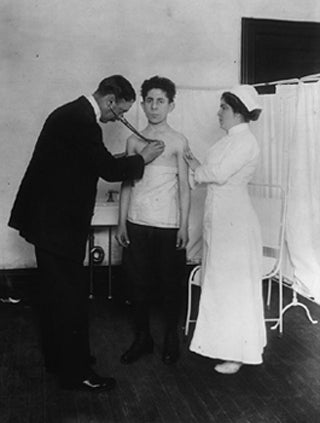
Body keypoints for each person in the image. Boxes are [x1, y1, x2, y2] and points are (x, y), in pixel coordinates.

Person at [8, 75, 165, 391]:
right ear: (109, 99)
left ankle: (60, 360)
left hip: (47, 224)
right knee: (71, 299)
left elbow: (91, 161)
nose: (114, 119)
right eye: (118, 112)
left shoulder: (71, 114)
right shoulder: (83, 122)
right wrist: (142, 159)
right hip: (57, 228)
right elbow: (106, 170)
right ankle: (76, 372)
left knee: (57, 297)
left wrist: (125, 159)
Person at [183, 85, 266, 374]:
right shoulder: (226, 142)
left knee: (233, 289)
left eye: (223, 109)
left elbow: (216, 173)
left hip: (235, 224)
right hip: (220, 222)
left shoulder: (246, 142)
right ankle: (222, 347)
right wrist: (194, 164)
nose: (218, 113)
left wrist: (196, 172)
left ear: (238, 113)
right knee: (220, 286)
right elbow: (210, 169)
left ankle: (238, 353)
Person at [116, 76, 190, 365]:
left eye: (161, 101)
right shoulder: (134, 140)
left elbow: (185, 187)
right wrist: (122, 222)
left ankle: (171, 336)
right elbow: (127, 184)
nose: (154, 106)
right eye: (149, 100)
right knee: (138, 284)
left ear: (171, 105)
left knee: (170, 284)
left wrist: (184, 225)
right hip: (137, 222)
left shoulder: (178, 141)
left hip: (168, 225)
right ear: (143, 104)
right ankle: (143, 338)